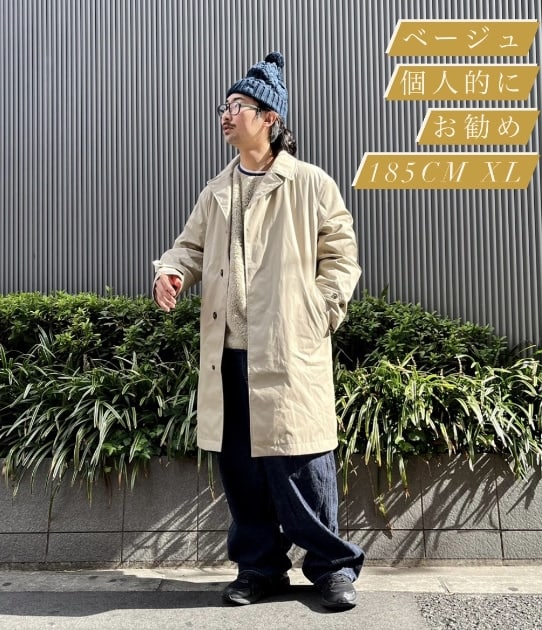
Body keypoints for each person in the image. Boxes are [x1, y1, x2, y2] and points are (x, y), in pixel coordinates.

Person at [152, 52, 364, 610]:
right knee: (242, 471)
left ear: (269, 117)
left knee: (302, 462)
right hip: (229, 353)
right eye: (224, 106)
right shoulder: (216, 190)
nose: (226, 115)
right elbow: (189, 247)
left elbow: (341, 256)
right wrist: (171, 271)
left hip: (289, 347)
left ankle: (332, 568)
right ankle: (260, 567)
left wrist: (319, 312)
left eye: (237, 106)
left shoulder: (310, 183)